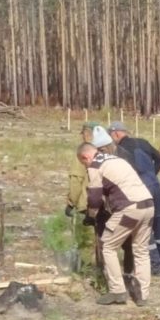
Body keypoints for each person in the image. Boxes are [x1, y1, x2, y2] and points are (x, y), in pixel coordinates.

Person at [79, 141, 154, 305]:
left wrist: (91, 215)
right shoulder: (116, 159)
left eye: (83, 163)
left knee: (108, 246)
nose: (85, 167)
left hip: (129, 209)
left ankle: (117, 291)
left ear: (85, 157)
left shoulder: (96, 166)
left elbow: (94, 197)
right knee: (141, 250)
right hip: (148, 205)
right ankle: (142, 295)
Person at [109, 121, 160, 276]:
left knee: (145, 227)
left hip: (141, 187)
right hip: (155, 185)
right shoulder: (143, 142)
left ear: (115, 134)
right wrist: (152, 175)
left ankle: (155, 266)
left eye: (111, 136)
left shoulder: (120, 150)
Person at [65, 121, 104, 283]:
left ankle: (89, 272)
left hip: (87, 203)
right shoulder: (105, 152)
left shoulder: (83, 153)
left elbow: (76, 181)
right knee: (104, 240)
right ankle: (104, 270)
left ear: (85, 134)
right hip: (105, 202)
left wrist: (70, 203)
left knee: (87, 240)